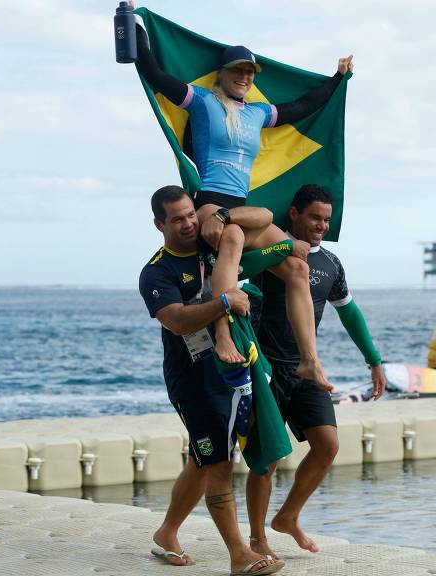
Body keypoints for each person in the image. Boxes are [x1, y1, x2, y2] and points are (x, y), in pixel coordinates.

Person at [134, 21, 353, 392]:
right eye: (238, 70)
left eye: (250, 72)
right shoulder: (202, 100)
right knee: (233, 235)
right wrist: (135, 25)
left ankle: (309, 361)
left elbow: (302, 107)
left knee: (297, 268)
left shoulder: (257, 114)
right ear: (223, 73)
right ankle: (222, 335)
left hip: (241, 206)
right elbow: (154, 73)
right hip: (211, 202)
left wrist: (337, 78)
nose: (245, 77)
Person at [138, 185, 285, 575]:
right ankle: (239, 556)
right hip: (193, 379)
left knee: (203, 460)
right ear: (159, 224)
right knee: (218, 462)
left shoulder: (210, 238)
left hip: (234, 369)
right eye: (177, 219)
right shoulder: (157, 271)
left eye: (190, 214)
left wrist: (223, 216)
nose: (188, 223)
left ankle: (166, 532)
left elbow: (266, 217)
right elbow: (176, 319)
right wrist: (223, 302)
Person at [246, 184, 386, 557]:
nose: (322, 225)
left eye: (326, 219)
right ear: (293, 214)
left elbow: (350, 313)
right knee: (267, 457)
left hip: (307, 369)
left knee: (327, 445)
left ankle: (287, 517)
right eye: (314, 218)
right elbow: (244, 273)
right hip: (267, 368)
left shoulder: (331, 264)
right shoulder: (270, 251)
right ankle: (257, 540)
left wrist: (374, 360)